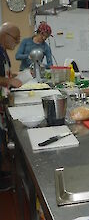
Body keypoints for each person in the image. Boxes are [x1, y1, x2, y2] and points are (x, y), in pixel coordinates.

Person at [0, 22, 22, 191]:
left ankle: (2, 174)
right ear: (5, 35)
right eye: (15, 39)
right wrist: (8, 81)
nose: (17, 42)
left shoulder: (4, 52)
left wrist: (12, 75)